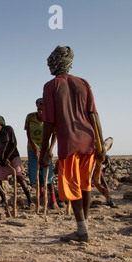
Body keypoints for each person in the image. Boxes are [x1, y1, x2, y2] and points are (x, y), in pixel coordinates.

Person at [40, 45, 106, 243]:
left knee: (74, 185)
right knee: (85, 184)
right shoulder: (83, 83)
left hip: (69, 141)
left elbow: (49, 122)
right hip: (89, 139)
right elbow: (94, 114)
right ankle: (83, 227)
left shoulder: (51, 86)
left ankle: (81, 230)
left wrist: (45, 150)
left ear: (54, 63)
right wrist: (100, 144)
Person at [0, 115, 32, 206]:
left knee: (19, 177)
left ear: (2, 126)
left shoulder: (8, 130)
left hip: (13, 157)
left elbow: (14, 143)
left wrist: (8, 157)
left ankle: (29, 199)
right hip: (1, 160)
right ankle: (3, 199)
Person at [24, 98, 58, 209]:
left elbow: (55, 134)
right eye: (39, 109)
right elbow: (28, 133)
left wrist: (50, 150)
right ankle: (41, 197)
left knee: (48, 176)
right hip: (32, 148)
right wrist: (34, 148)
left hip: (46, 149)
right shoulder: (30, 117)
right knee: (35, 174)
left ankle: (53, 200)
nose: (40, 112)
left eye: (43, 110)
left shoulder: (50, 119)